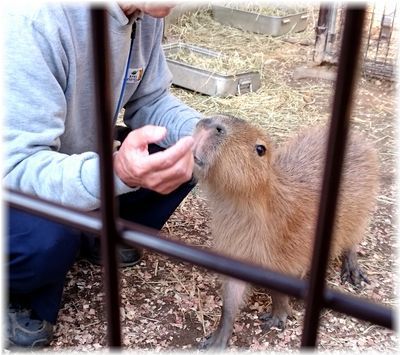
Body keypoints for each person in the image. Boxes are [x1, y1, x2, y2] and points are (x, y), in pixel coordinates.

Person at [4, 2, 202, 348]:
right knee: (49, 237)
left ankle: (92, 232)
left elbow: (150, 100)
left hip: (74, 161)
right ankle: (17, 291)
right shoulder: (34, 19)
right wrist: (116, 174)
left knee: (190, 156)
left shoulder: (144, 15)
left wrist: (209, 135)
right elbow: (18, 166)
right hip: (16, 172)